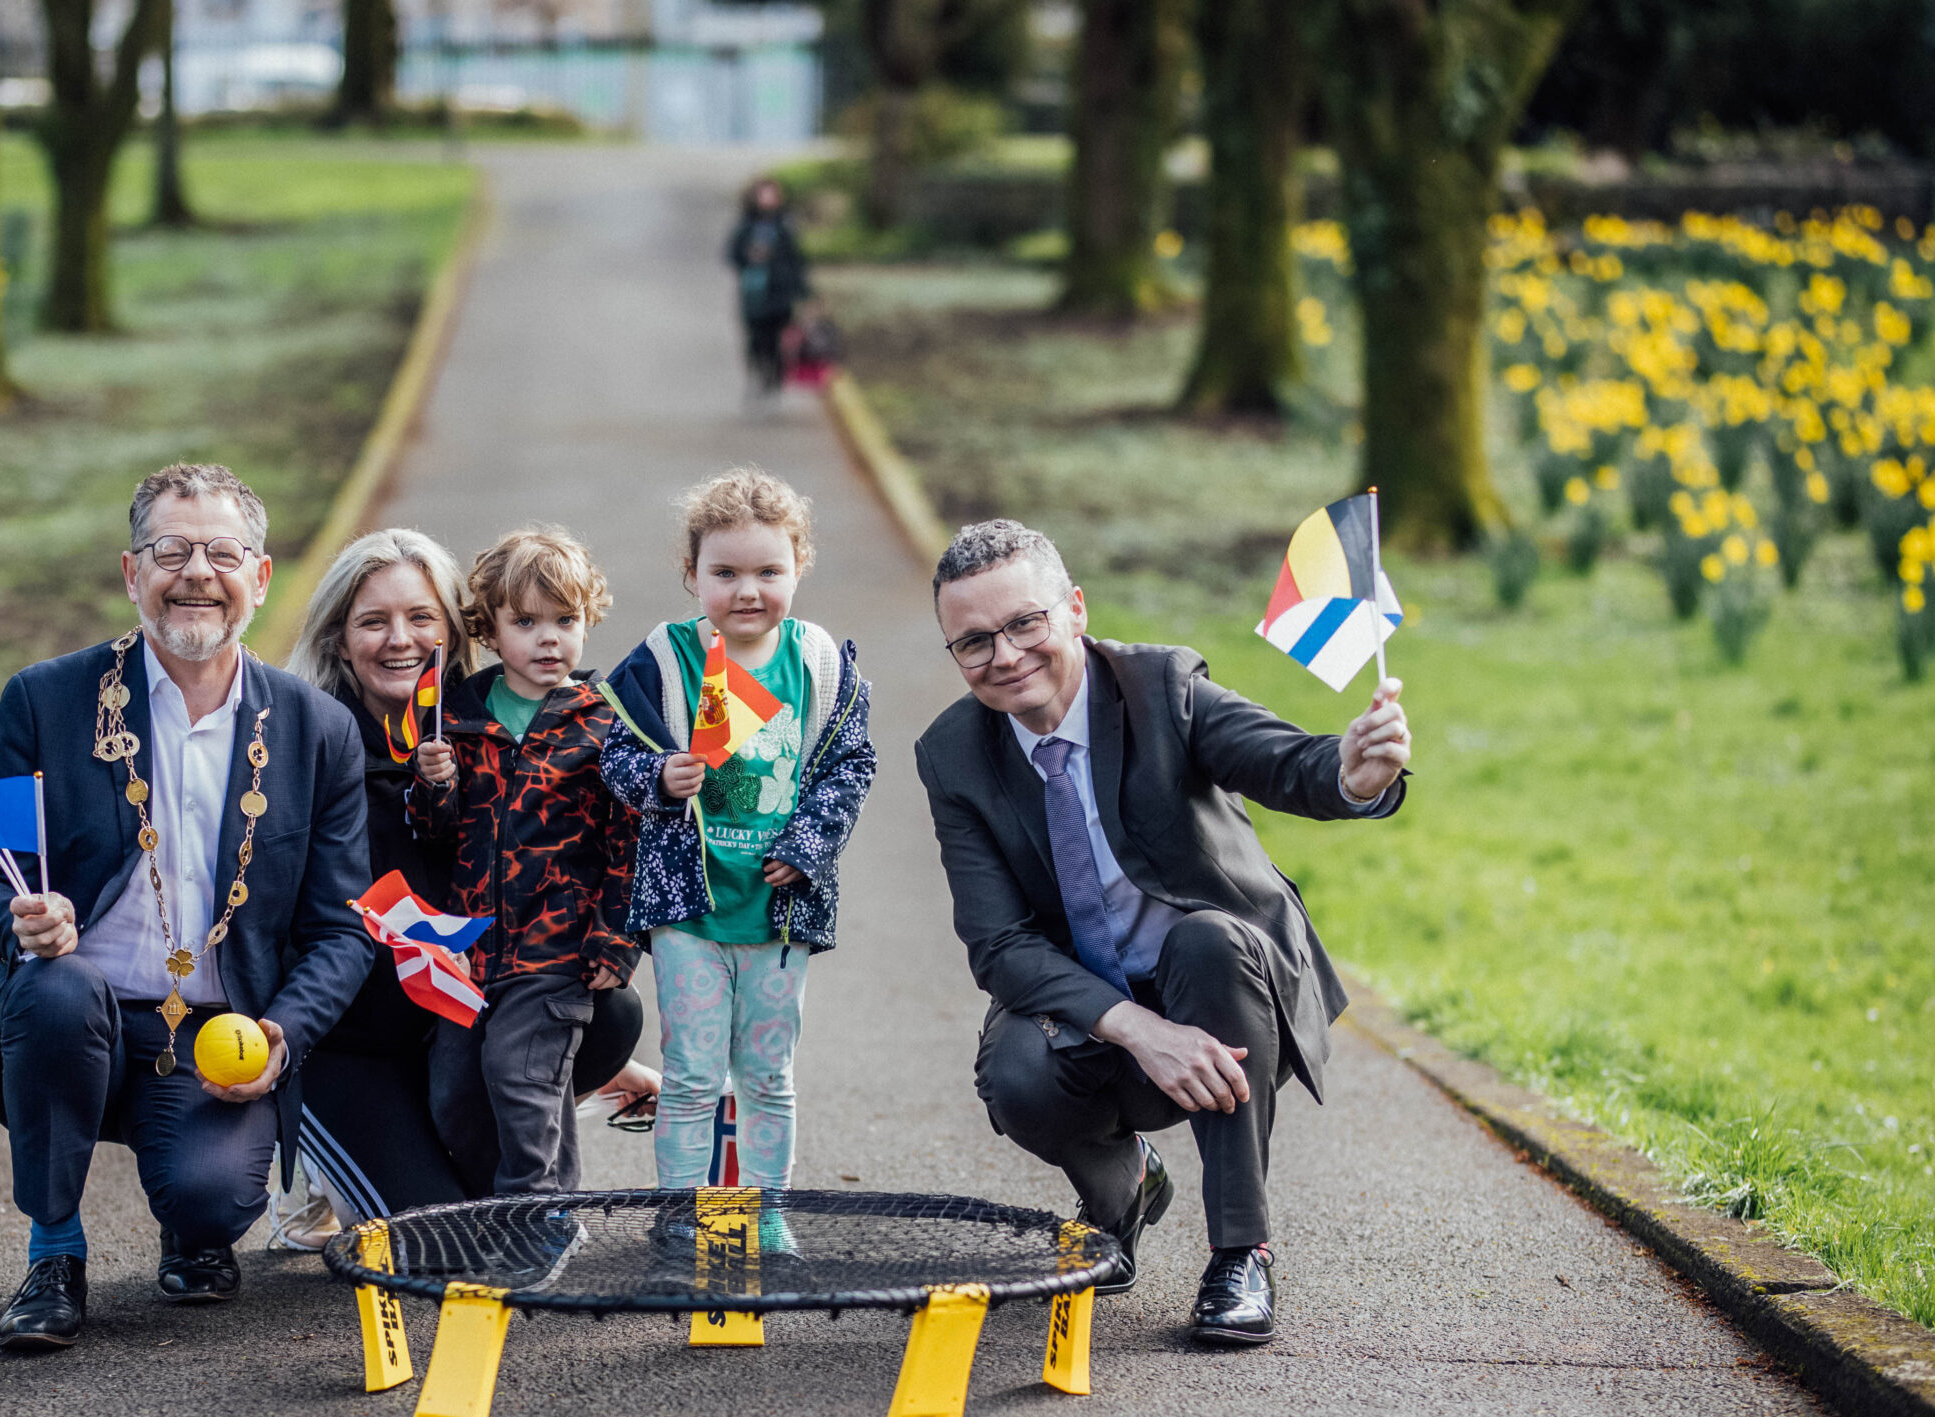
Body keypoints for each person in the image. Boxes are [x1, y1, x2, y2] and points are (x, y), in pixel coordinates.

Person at [914, 519, 1411, 1345]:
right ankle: (1123, 1190)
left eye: (1024, 623)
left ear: (1074, 609)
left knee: (1208, 942)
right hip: (1099, 1007)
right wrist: (1139, 1031)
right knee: (1014, 1075)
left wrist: (1353, 772)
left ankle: (1241, 1253)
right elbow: (998, 944)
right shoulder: (954, 754)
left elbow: (1285, 762)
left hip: (1223, 988)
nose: (1003, 655)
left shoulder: (1161, 686)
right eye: (973, 642)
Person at [0, 463, 373, 1352]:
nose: (195, 573)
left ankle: (193, 1227)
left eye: (222, 552)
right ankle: (54, 1253)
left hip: (219, 1030)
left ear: (260, 577)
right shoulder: (46, 700)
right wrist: (19, 925)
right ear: (130, 572)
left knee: (214, 1201)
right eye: (170, 549)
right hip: (83, 1016)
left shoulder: (316, 729)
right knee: (53, 991)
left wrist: (282, 1036)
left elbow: (342, 931)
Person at [283, 529, 658, 1233]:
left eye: (421, 617)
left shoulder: (478, 723)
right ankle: (323, 1175)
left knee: (610, 1014)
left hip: (467, 1004)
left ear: (455, 631)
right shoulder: (312, 742)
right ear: (339, 638)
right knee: (442, 1241)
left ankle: (535, 1183)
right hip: (357, 1037)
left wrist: (586, 1050)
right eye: (373, 620)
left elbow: (585, 842)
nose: (400, 639)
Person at [600, 469, 876, 1210]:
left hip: (778, 915)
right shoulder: (664, 659)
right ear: (692, 575)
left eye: (768, 571)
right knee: (690, 1072)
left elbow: (852, 765)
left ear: (798, 567)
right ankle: (682, 1214)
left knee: (767, 1075)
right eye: (725, 572)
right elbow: (612, 752)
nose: (747, 590)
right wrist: (658, 775)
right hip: (690, 910)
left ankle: (769, 1209)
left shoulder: (820, 664)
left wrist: (810, 846)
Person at [414, 527, 642, 1194]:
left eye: (566, 620)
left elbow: (631, 839)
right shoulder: (456, 719)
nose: (550, 638)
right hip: (469, 949)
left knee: (522, 1075)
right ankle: (499, 1204)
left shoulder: (603, 724)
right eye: (527, 622)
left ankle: (539, 1213)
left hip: (554, 949)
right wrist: (432, 784)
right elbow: (435, 833)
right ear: (489, 629)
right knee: (456, 1093)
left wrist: (615, 935)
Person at [726, 178, 808, 397]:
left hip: (780, 292)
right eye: (763, 194)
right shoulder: (746, 226)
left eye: (772, 194)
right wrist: (749, 256)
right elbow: (732, 255)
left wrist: (805, 292)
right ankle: (758, 375)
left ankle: (775, 377)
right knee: (756, 338)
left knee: (779, 337)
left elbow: (796, 260)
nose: (768, 199)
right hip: (754, 294)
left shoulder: (785, 226)